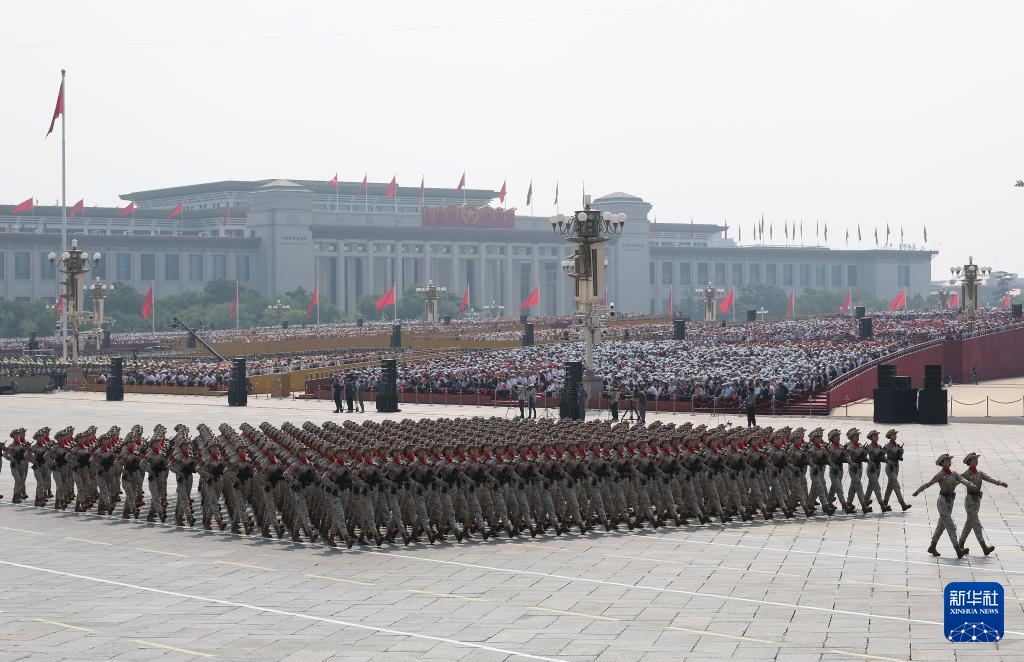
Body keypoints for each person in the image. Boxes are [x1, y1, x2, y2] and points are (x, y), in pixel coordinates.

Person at [912, 453, 973, 558]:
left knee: (941, 526)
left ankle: (932, 546)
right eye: (947, 460)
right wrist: (918, 491)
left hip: (950, 501)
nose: (949, 461)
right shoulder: (940, 474)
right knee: (950, 526)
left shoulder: (954, 473)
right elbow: (929, 483)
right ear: (942, 463)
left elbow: (962, 480)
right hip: (942, 502)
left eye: (949, 460)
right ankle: (958, 549)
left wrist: (970, 484)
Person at [957, 452, 1008, 556]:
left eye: (976, 459)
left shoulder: (979, 473)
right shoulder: (966, 473)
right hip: (970, 500)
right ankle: (984, 547)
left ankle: (960, 544)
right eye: (974, 459)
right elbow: (957, 480)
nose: (976, 460)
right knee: (976, 524)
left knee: (969, 523)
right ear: (969, 461)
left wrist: (999, 483)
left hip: (977, 500)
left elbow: (989, 478)